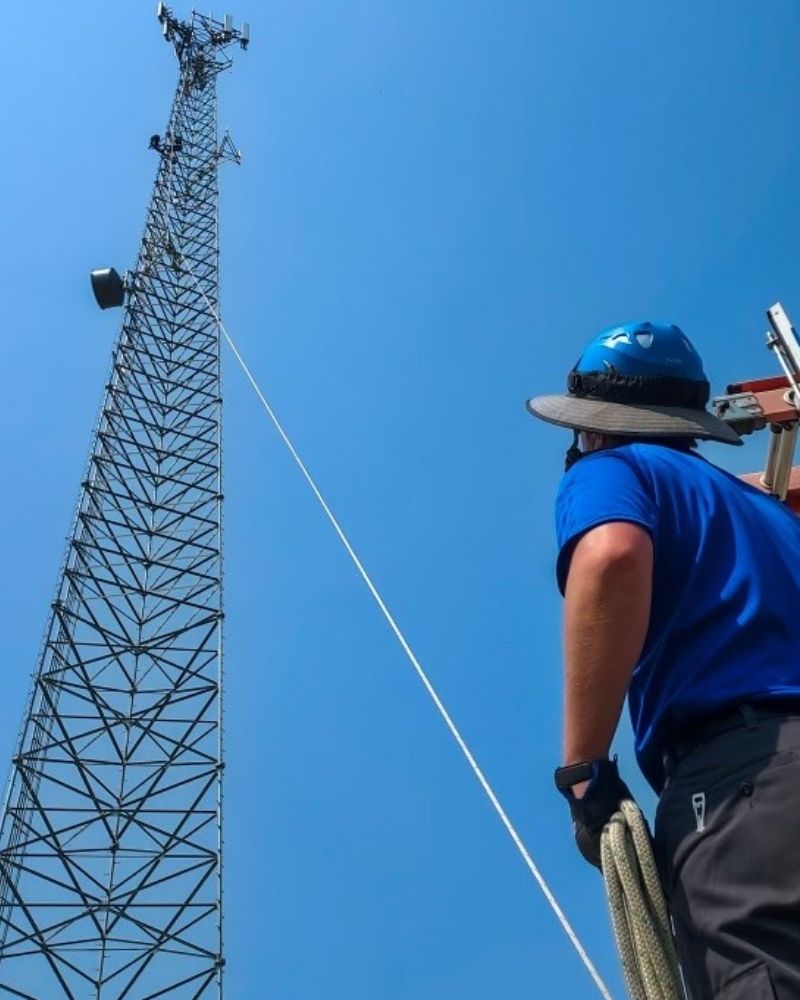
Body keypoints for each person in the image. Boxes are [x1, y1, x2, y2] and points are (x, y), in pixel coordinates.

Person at [527, 320, 800, 1000]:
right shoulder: (772, 514)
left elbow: (612, 554)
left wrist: (585, 773)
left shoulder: (613, 469)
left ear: (593, 426)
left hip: (746, 780)